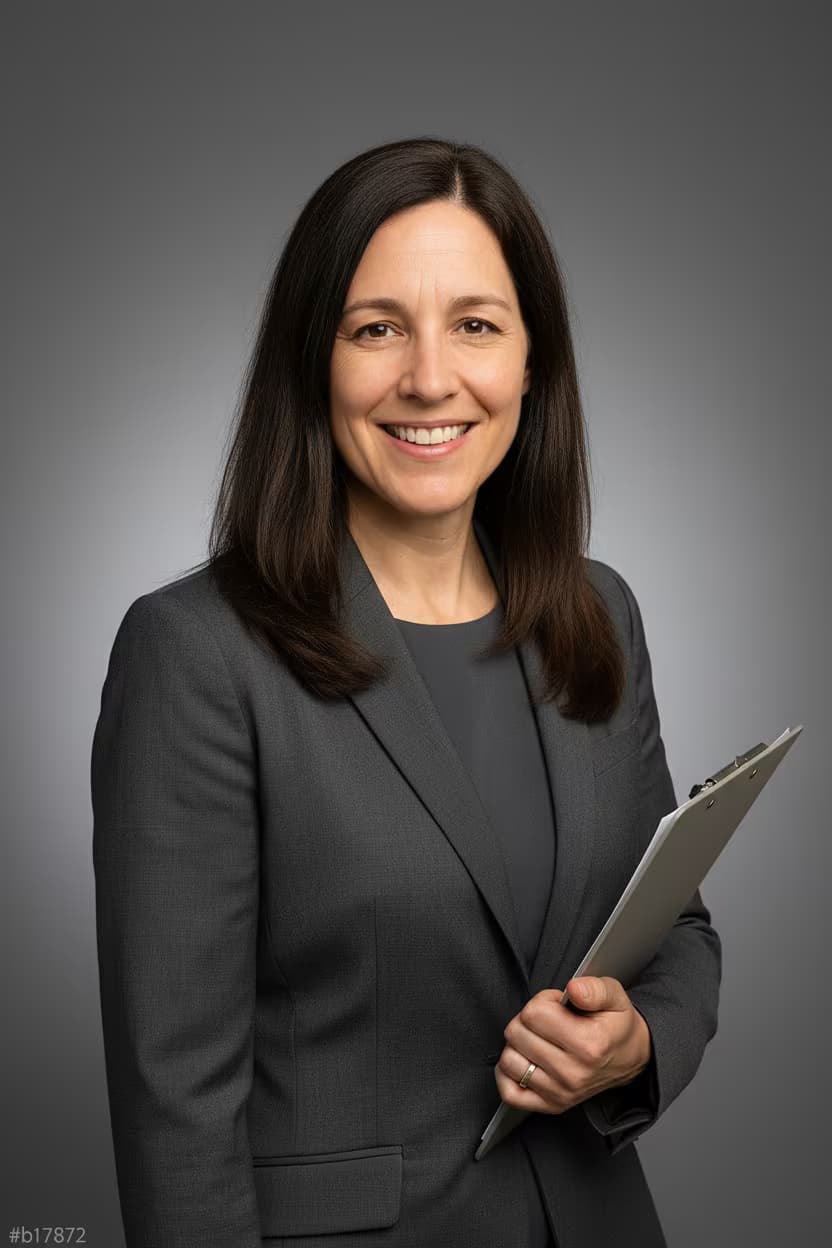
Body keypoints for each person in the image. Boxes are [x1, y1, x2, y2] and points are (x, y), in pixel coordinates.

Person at [91, 136, 722, 1248]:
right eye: (377, 328)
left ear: (532, 362)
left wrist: (637, 1044)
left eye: (476, 325)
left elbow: (676, 934)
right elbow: (176, 1105)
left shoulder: (597, 611)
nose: (430, 378)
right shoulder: (193, 654)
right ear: (312, 362)